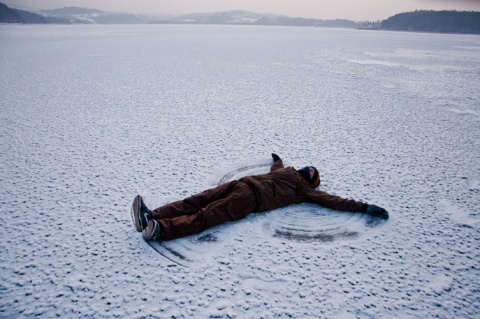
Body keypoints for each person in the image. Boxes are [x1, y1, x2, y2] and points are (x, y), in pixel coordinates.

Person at [131, 154, 389, 241]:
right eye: (310, 167)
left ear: (313, 181)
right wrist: (277, 159)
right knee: (197, 200)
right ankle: (151, 216)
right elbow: (276, 167)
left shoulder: (305, 191)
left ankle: (161, 230)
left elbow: (335, 201)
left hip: (250, 199)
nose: (310, 168)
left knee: (208, 215)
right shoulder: (285, 171)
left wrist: (365, 207)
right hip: (240, 184)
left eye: (313, 172)